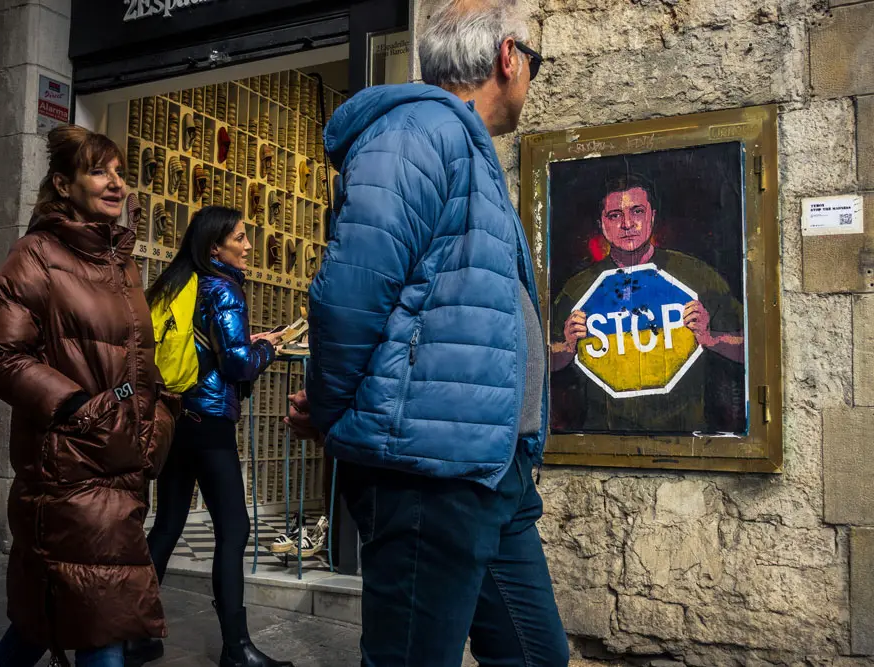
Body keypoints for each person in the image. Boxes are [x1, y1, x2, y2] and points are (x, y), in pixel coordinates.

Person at [285, 1, 570, 665]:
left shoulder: (464, 148)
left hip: (493, 469)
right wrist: (331, 414)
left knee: (535, 655)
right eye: (535, 61)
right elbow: (348, 294)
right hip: (427, 474)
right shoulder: (418, 132)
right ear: (508, 58)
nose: (532, 76)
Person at [0, 125, 180, 667]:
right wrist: (80, 410)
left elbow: (134, 360)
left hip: (117, 466)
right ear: (63, 184)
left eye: (119, 171)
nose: (116, 183)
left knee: (54, 620)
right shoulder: (36, 257)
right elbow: (3, 357)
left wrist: (156, 419)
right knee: (96, 629)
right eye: (99, 171)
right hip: (69, 471)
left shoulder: (120, 261)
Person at [131, 206, 291, 667]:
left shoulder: (179, 281)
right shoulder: (223, 286)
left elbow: (207, 346)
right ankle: (237, 650)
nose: (247, 245)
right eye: (239, 238)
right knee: (235, 529)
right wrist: (269, 346)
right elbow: (237, 364)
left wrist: (249, 343)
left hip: (176, 415)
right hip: (209, 421)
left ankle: (132, 632)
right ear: (214, 247)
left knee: (166, 524)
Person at [549, 173, 745, 433]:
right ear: (602, 224)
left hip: (686, 436)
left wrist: (711, 338)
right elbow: (539, 364)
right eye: (615, 215)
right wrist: (567, 347)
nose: (627, 223)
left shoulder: (696, 275)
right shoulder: (578, 289)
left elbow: (751, 350)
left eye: (637, 211)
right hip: (603, 435)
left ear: (652, 216)